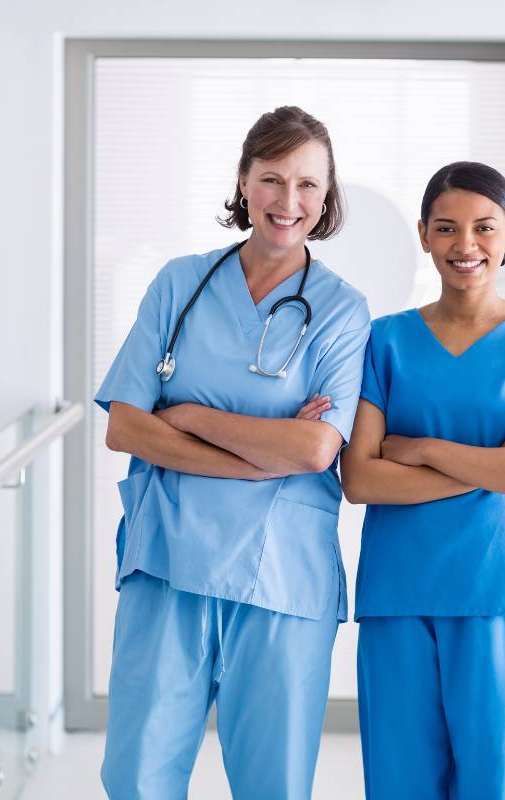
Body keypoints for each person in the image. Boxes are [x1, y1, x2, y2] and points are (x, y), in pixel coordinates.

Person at [94, 106, 370, 800]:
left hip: (282, 576)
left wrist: (187, 418)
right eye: (272, 179)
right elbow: (125, 427)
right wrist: (258, 454)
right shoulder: (179, 285)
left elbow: (314, 449)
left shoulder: (340, 310)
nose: (289, 201)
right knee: (137, 777)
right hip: (167, 562)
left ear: (327, 196)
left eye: (308, 184)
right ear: (243, 183)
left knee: (272, 784)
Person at [340, 161, 505, 799]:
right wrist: (496, 459)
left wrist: (425, 448)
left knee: (498, 786)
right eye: (448, 228)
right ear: (425, 235)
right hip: (401, 594)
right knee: (400, 786)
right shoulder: (384, 341)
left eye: (484, 227)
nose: (466, 245)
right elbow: (360, 478)